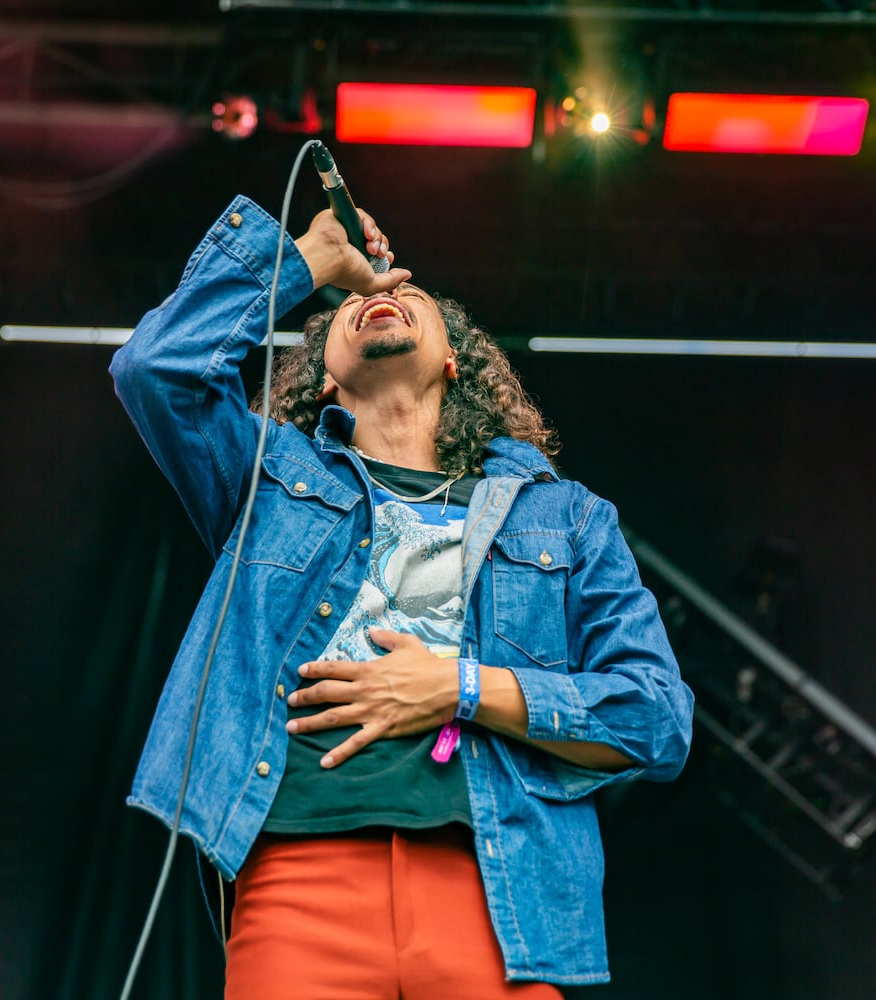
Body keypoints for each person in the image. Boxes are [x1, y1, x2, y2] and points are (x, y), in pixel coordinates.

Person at [110, 193, 694, 999]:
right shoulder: (268, 482)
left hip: (496, 892)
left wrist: (455, 688)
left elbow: (655, 719)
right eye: (349, 305)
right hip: (298, 874)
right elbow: (156, 369)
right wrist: (308, 262)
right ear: (322, 377)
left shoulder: (564, 515)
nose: (376, 297)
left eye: (406, 294)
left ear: (455, 357)